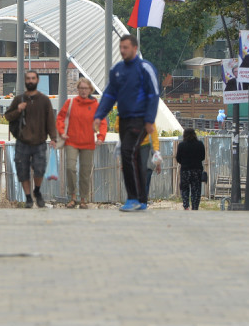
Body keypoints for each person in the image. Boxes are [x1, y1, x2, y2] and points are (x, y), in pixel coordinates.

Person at [93, 34, 160, 212]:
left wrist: (149, 120)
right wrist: (99, 115)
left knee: (127, 152)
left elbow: (154, 95)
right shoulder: (117, 70)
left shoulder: (145, 68)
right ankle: (142, 199)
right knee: (135, 157)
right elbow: (109, 95)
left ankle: (132, 198)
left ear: (135, 48)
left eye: (126, 47)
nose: (122, 51)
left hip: (140, 119)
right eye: (121, 47)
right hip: (124, 119)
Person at [4, 70, 58, 208]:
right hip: (22, 141)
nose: (30, 81)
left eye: (33, 78)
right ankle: (28, 198)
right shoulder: (19, 99)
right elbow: (8, 116)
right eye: (28, 78)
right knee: (22, 171)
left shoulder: (44, 100)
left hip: (39, 141)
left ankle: (37, 191)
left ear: (37, 80)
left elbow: (50, 120)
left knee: (39, 169)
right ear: (25, 81)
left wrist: (53, 138)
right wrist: (18, 110)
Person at [56, 78, 105, 209]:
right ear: (77, 89)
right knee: (70, 168)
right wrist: (62, 132)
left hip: (88, 143)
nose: (83, 91)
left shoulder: (95, 105)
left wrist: (101, 137)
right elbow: (60, 118)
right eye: (81, 88)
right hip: (71, 141)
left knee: (85, 172)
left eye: (86, 88)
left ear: (90, 90)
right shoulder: (70, 102)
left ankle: (83, 199)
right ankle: (72, 196)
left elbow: (102, 122)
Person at [175, 128, 206, 210]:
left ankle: (186, 206)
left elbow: (178, 158)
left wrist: (184, 162)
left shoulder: (181, 145)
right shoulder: (200, 144)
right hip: (197, 170)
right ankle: (195, 207)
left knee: (184, 188)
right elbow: (202, 157)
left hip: (185, 170)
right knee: (196, 189)